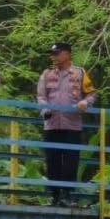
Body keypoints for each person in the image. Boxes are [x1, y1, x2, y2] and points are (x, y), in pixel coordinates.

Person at [36, 41, 96, 206]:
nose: (54, 57)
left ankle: (67, 196)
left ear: (67, 54)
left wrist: (85, 102)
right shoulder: (47, 74)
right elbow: (41, 96)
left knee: (71, 161)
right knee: (52, 160)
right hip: (52, 124)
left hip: (72, 125)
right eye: (53, 54)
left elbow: (91, 94)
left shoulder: (79, 73)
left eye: (57, 53)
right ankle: (54, 196)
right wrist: (44, 109)